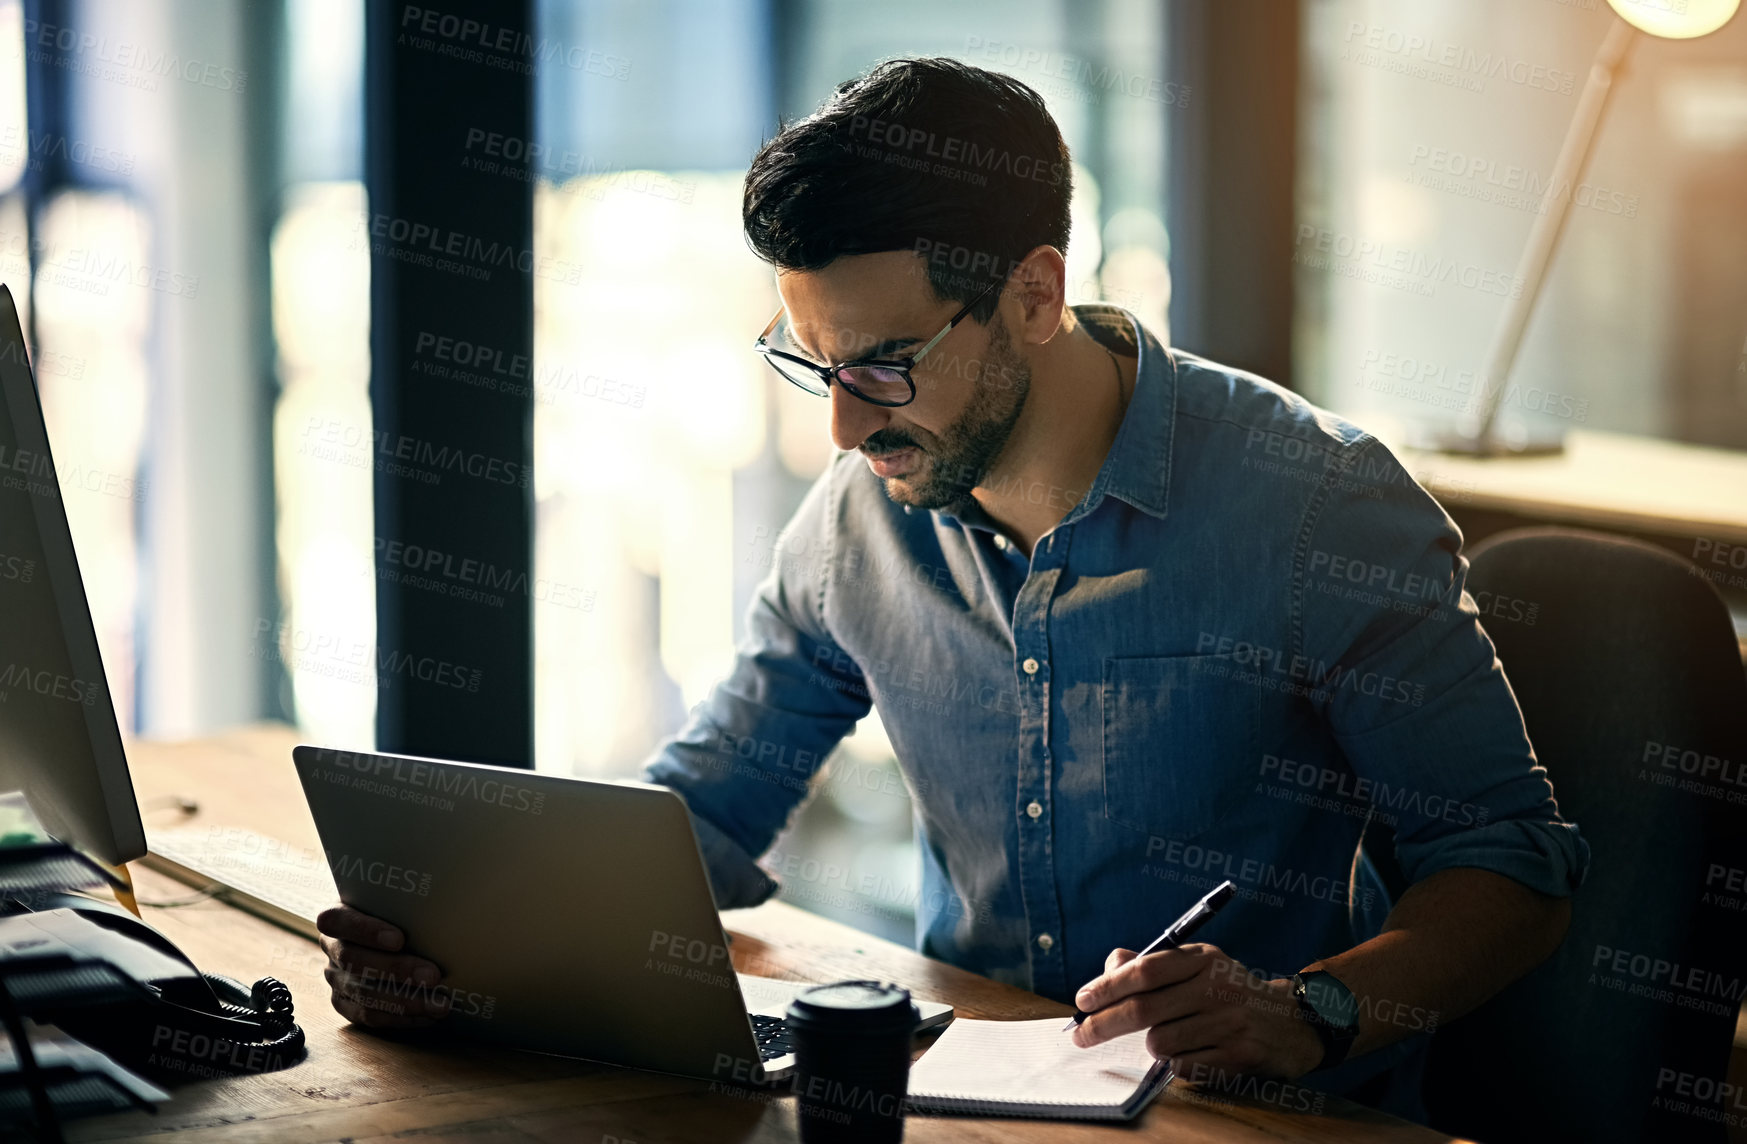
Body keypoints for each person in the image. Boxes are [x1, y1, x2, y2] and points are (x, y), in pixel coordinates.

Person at [318, 56, 1587, 1118]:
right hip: (964, 1103)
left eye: (881, 366)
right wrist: (478, 952)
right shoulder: (861, 511)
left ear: (1033, 294)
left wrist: (1305, 1009)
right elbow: (700, 812)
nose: (840, 432)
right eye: (810, 365)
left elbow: (1512, 866)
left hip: (1253, 1119)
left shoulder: (1314, 505)